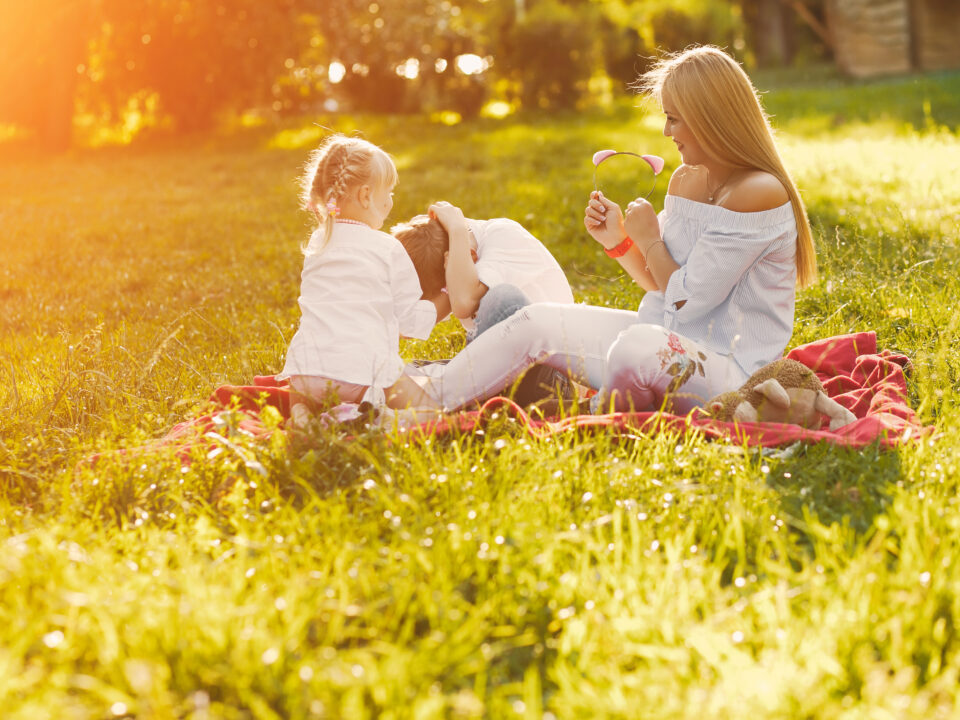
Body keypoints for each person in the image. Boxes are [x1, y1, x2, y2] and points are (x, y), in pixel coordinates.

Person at [421, 45, 816, 414]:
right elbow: (661, 284)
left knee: (636, 347)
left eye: (674, 118)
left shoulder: (760, 193)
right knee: (536, 320)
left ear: (709, 117)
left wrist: (648, 238)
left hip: (729, 372)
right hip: (657, 336)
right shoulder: (688, 180)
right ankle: (420, 399)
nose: (666, 131)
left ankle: (592, 412)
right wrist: (620, 241)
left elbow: (686, 301)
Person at [279, 134, 448, 419]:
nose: (391, 200)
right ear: (366, 196)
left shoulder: (319, 243)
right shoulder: (387, 247)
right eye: (389, 192)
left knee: (310, 387)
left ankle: (302, 413)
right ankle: (375, 418)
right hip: (359, 374)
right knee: (435, 413)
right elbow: (408, 323)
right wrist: (450, 298)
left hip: (304, 373)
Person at [392, 202, 574, 339]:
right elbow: (409, 326)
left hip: (549, 370)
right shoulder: (460, 273)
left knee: (501, 297)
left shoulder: (502, 236)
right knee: (407, 374)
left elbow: (463, 303)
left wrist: (457, 230)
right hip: (503, 366)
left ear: (469, 255)